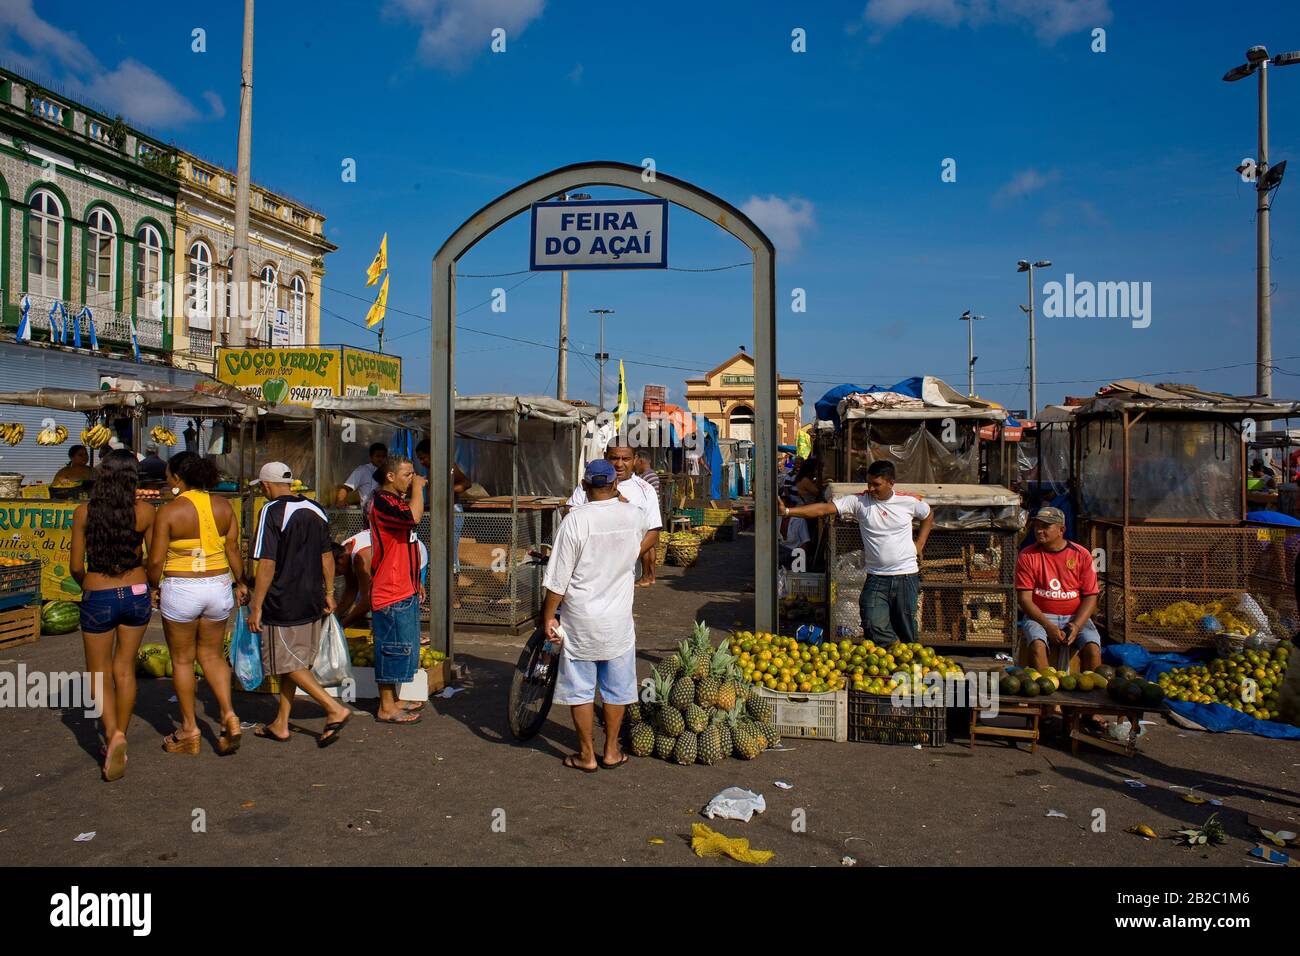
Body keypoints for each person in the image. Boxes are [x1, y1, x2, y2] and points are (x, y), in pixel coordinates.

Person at [543, 460, 647, 772]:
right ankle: (612, 750)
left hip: (581, 620)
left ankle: (586, 755)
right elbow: (637, 541)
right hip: (618, 621)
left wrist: (548, 616)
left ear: (585, 487)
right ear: (616, 484)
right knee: (617, 689)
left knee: (581, 690)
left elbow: (558, 579)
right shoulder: (635, 516)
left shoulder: (575, 521)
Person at [247, 462, 353, 747]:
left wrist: (256, 604)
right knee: (294, 660)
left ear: (266, 486)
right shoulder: (315, 508)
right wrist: (329, 592)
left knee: (286, 663)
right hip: (311, 597)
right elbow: (327, 556)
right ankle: (281, 723)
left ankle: (333, 708)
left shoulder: (271, 511)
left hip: (282, 598)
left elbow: (267, 562)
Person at [147, 451, 246, 756]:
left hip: (182, 587)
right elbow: (233, 550)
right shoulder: (224, 506)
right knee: (213, 656)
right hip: (218, 587)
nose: (166, 479)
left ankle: (189, 729)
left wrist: (154, 584)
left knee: (182, 660)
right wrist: (241, 582)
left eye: (168, 474)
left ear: (178, 478)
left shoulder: (169, 511)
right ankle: (229, 715)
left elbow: (155, 559)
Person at [69, 450, 156, 781]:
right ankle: (121, 731)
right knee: (125, 670)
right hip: (135, 594)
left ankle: (111, 734)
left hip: (97, 594)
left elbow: (76, 566)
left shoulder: (83, 513)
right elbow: (152, 560)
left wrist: (89, 585)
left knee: (98, 674)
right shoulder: (146, 512)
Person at [780, 460, 933, 644]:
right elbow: (823, 509)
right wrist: (788, 511)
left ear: (891, 482)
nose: (871, 488)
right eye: (869, 483)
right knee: (871, 619)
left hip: (906, 575)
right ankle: (891, 648)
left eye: (877, 484)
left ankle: (909, 663)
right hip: (877, 577)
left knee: (907, 625)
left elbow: (928, 514)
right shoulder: (859, 501)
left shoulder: (908, 501)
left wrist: (920, 543)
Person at [368, 454, 427, 723]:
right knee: (391, 648)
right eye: (407, 474)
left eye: (413, 474)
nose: (412, 479)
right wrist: (418, 490)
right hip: (390, 589)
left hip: (406, 587)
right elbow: (414, 519)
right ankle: (385, 706)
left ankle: (393, 699)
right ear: (390, 476)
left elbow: (408, 543)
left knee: (403, 646)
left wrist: (417, 582)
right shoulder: (382, 502)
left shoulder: (395, 501)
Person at [1014, 506, 1102, 674]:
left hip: (1075, 616)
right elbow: (1024, 600)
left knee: (1093, 649)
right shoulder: (1027, 555)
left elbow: (1091, 596)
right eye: (1037, 526)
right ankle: (1047, 693)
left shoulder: (1081, 554)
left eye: (1045, 527)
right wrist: (1048, 626)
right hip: (1040, 617)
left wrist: (1076, 626)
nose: (1039, 531)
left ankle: (1095, 696)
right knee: (1037, 646)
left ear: (1061, 530)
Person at [567, 443, 661, 587]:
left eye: (626, 459)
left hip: (623, 574)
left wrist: (627, 558)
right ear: (605, 457)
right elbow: (569, 512)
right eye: (614, 458)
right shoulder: (591, 482)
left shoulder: (646, 490)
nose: (619, 464)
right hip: (586, 567)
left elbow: (653, 532)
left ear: (635, 459)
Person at [335, 442, 388, 508]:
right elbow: (345, 488)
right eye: (378, 456)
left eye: (383, 456)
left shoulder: (390, 471)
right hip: (368, 512)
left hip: (386, 510)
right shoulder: (362, 470)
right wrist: (340, 501)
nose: (381, 459)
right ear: (371, 457)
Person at [778, 495, 811, 569]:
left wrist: (799, 561)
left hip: (794, 554)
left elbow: (805, 542)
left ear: (790, 506)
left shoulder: (799, 520)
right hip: (780, 553)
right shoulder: (777, 519)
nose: (781, 509)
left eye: (784, 506)